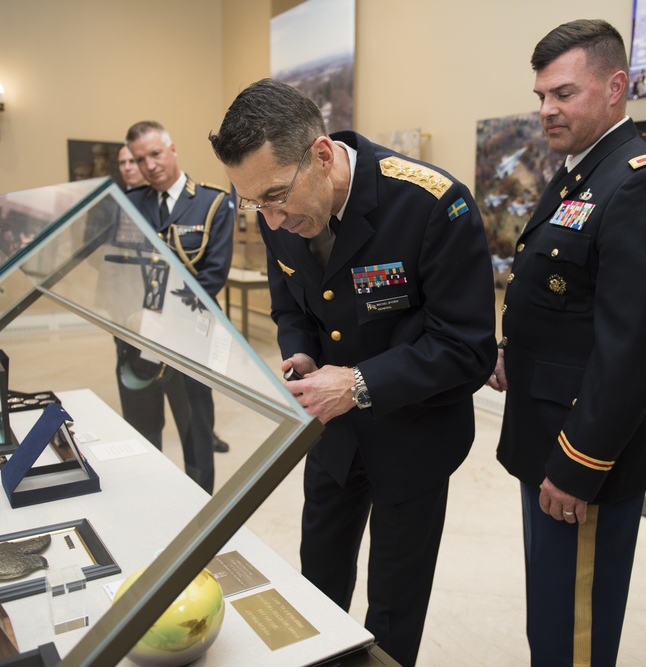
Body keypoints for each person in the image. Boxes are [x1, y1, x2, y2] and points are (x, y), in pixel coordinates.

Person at [208, 78, 496, 667]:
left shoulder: (430, 204)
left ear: (320, 155)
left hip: (414, 435)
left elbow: (467, 347)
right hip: (334, 436)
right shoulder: (275, 205)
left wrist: (360, 383)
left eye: (277, 197)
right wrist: (301, 353)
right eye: (254, 202)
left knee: (393, 605)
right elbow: (290, 302)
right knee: (318, 579)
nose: (272, 216)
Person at [488, 19, 646, 667]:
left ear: (615, 87)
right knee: (549, 616)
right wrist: (510, 347)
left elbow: (635, 344)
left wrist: (579, 461)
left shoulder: (641, 182)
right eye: (542, 96)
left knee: (572, 630)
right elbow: (564, 298)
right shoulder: (581, 173)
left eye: (564, 93)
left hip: (584, 452)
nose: (547, 109)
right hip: (545, 433)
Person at [117, 120, 234, 494]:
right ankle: (150, 500)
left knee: (195, 428)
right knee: (142, 424)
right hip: (137, 336)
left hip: (188, 337)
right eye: (139, 158)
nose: (149, 164)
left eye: (155, 153)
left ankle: (199, 511)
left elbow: (212, 276)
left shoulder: (212, 202)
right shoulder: (130, 204)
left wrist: (164, 316)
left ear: (172, 149)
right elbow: (114, 271)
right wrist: (129, 314)